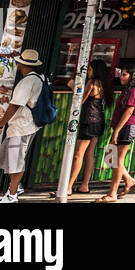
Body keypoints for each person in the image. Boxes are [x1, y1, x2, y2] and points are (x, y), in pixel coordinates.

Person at [0, 49, 45, 204]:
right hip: (28, 125)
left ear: (22, 64)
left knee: (16, 160)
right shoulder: (40, 78)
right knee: (13, 158)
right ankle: (15, 187)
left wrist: (0, 125)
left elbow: (14, 106)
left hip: (21, 126)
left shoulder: (27, 81)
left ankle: (12, 195)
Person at [56, 60, 114, 197]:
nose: (88, 71)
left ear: (95, 71)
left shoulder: (92, 83)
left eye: (90, 69)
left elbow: (80, 100)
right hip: (98, 121)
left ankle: (68, 187)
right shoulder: (105, 84)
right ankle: (84, 185)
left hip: (88, 121)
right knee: (89, 154)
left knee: (78, 155)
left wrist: (71, 85)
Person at [100, 65, 135, 202]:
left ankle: (112, 193)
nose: (121, 77)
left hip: (127, 127)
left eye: (125, 75)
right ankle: (129, 180)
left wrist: (117, 131)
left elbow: (129, 112)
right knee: (110, 157)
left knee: (117, 160)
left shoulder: (134, 91)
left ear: (132, 76)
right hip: (121, 127)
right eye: (122, 74)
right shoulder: (128, 90)